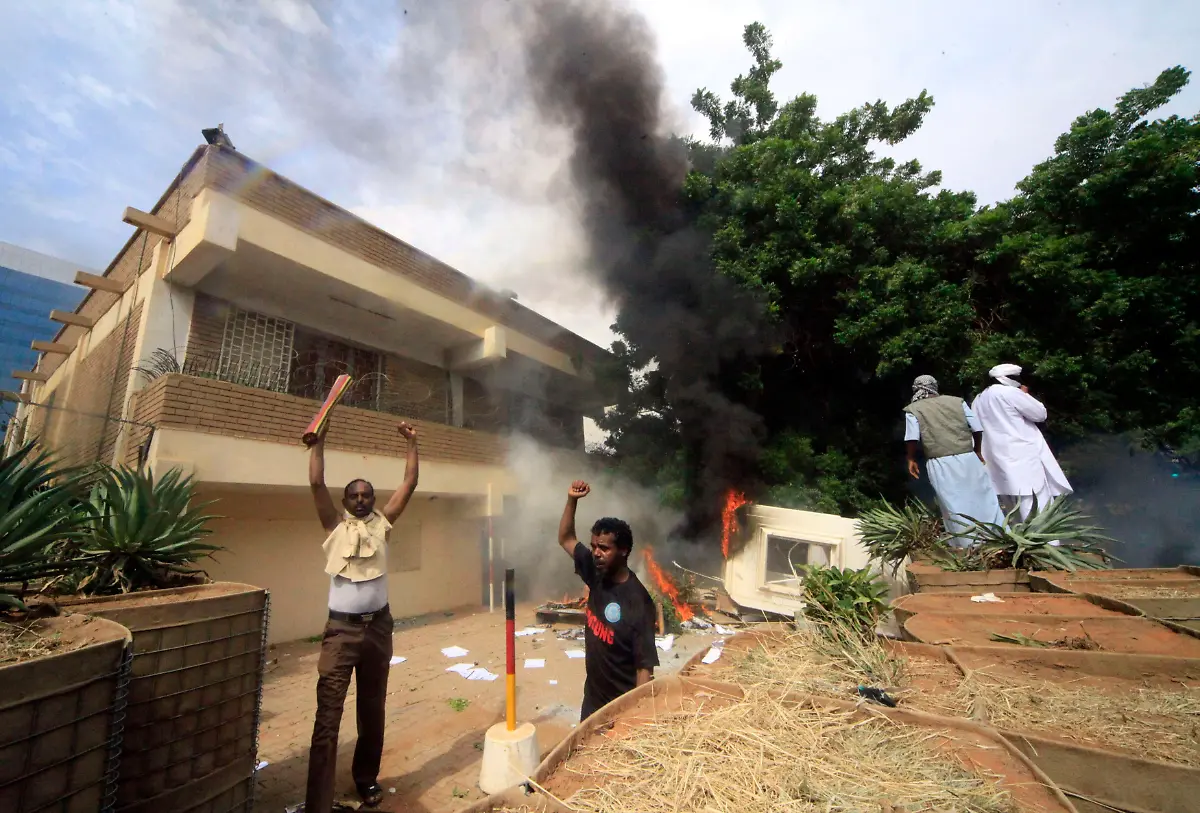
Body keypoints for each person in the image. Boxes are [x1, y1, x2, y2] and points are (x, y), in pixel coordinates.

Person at [304, 419, 419, 812]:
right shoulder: (333, 526)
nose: (360, 499)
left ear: (373, 499)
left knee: (372, 708)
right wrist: (319, 443)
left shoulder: (383, 525)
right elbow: (317, 484)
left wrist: (412, 444)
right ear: (345, 500)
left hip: (378, 629)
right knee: (328, 715)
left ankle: (366, 780)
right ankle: (318, 800)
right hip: (341, 632)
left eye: (366, 494)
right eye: (353, 495)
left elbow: (409, 484)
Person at [557, 480, 658, 721]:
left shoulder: (638, 601)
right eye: (593, 547)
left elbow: (644, 666)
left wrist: (634, 717)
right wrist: (572, 500)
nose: (596, 553)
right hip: (591, 701)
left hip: (619, 711)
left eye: (604, 548)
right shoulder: (595, 572)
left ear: (623, 550)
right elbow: (566, 538)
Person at [903, 375, 1005, 546]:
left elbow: (912, 438)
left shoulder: (913, 409)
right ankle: (998, 539)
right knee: (984, 497)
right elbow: (977, 428)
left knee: (953, 504)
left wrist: (911, 458)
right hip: (968, 457)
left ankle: (967, 545)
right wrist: (977, 451)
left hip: (941, 462)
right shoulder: (957, 402)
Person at [971, 363, 1073, 521]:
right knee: (1035, 501)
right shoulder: (1010, 393)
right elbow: (1040, 414)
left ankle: (1021, 540)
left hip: (996, 458)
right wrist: (1025, 395)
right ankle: (1043, 541)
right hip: (1021, 455)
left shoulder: (979, 398)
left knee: (1012, 503)